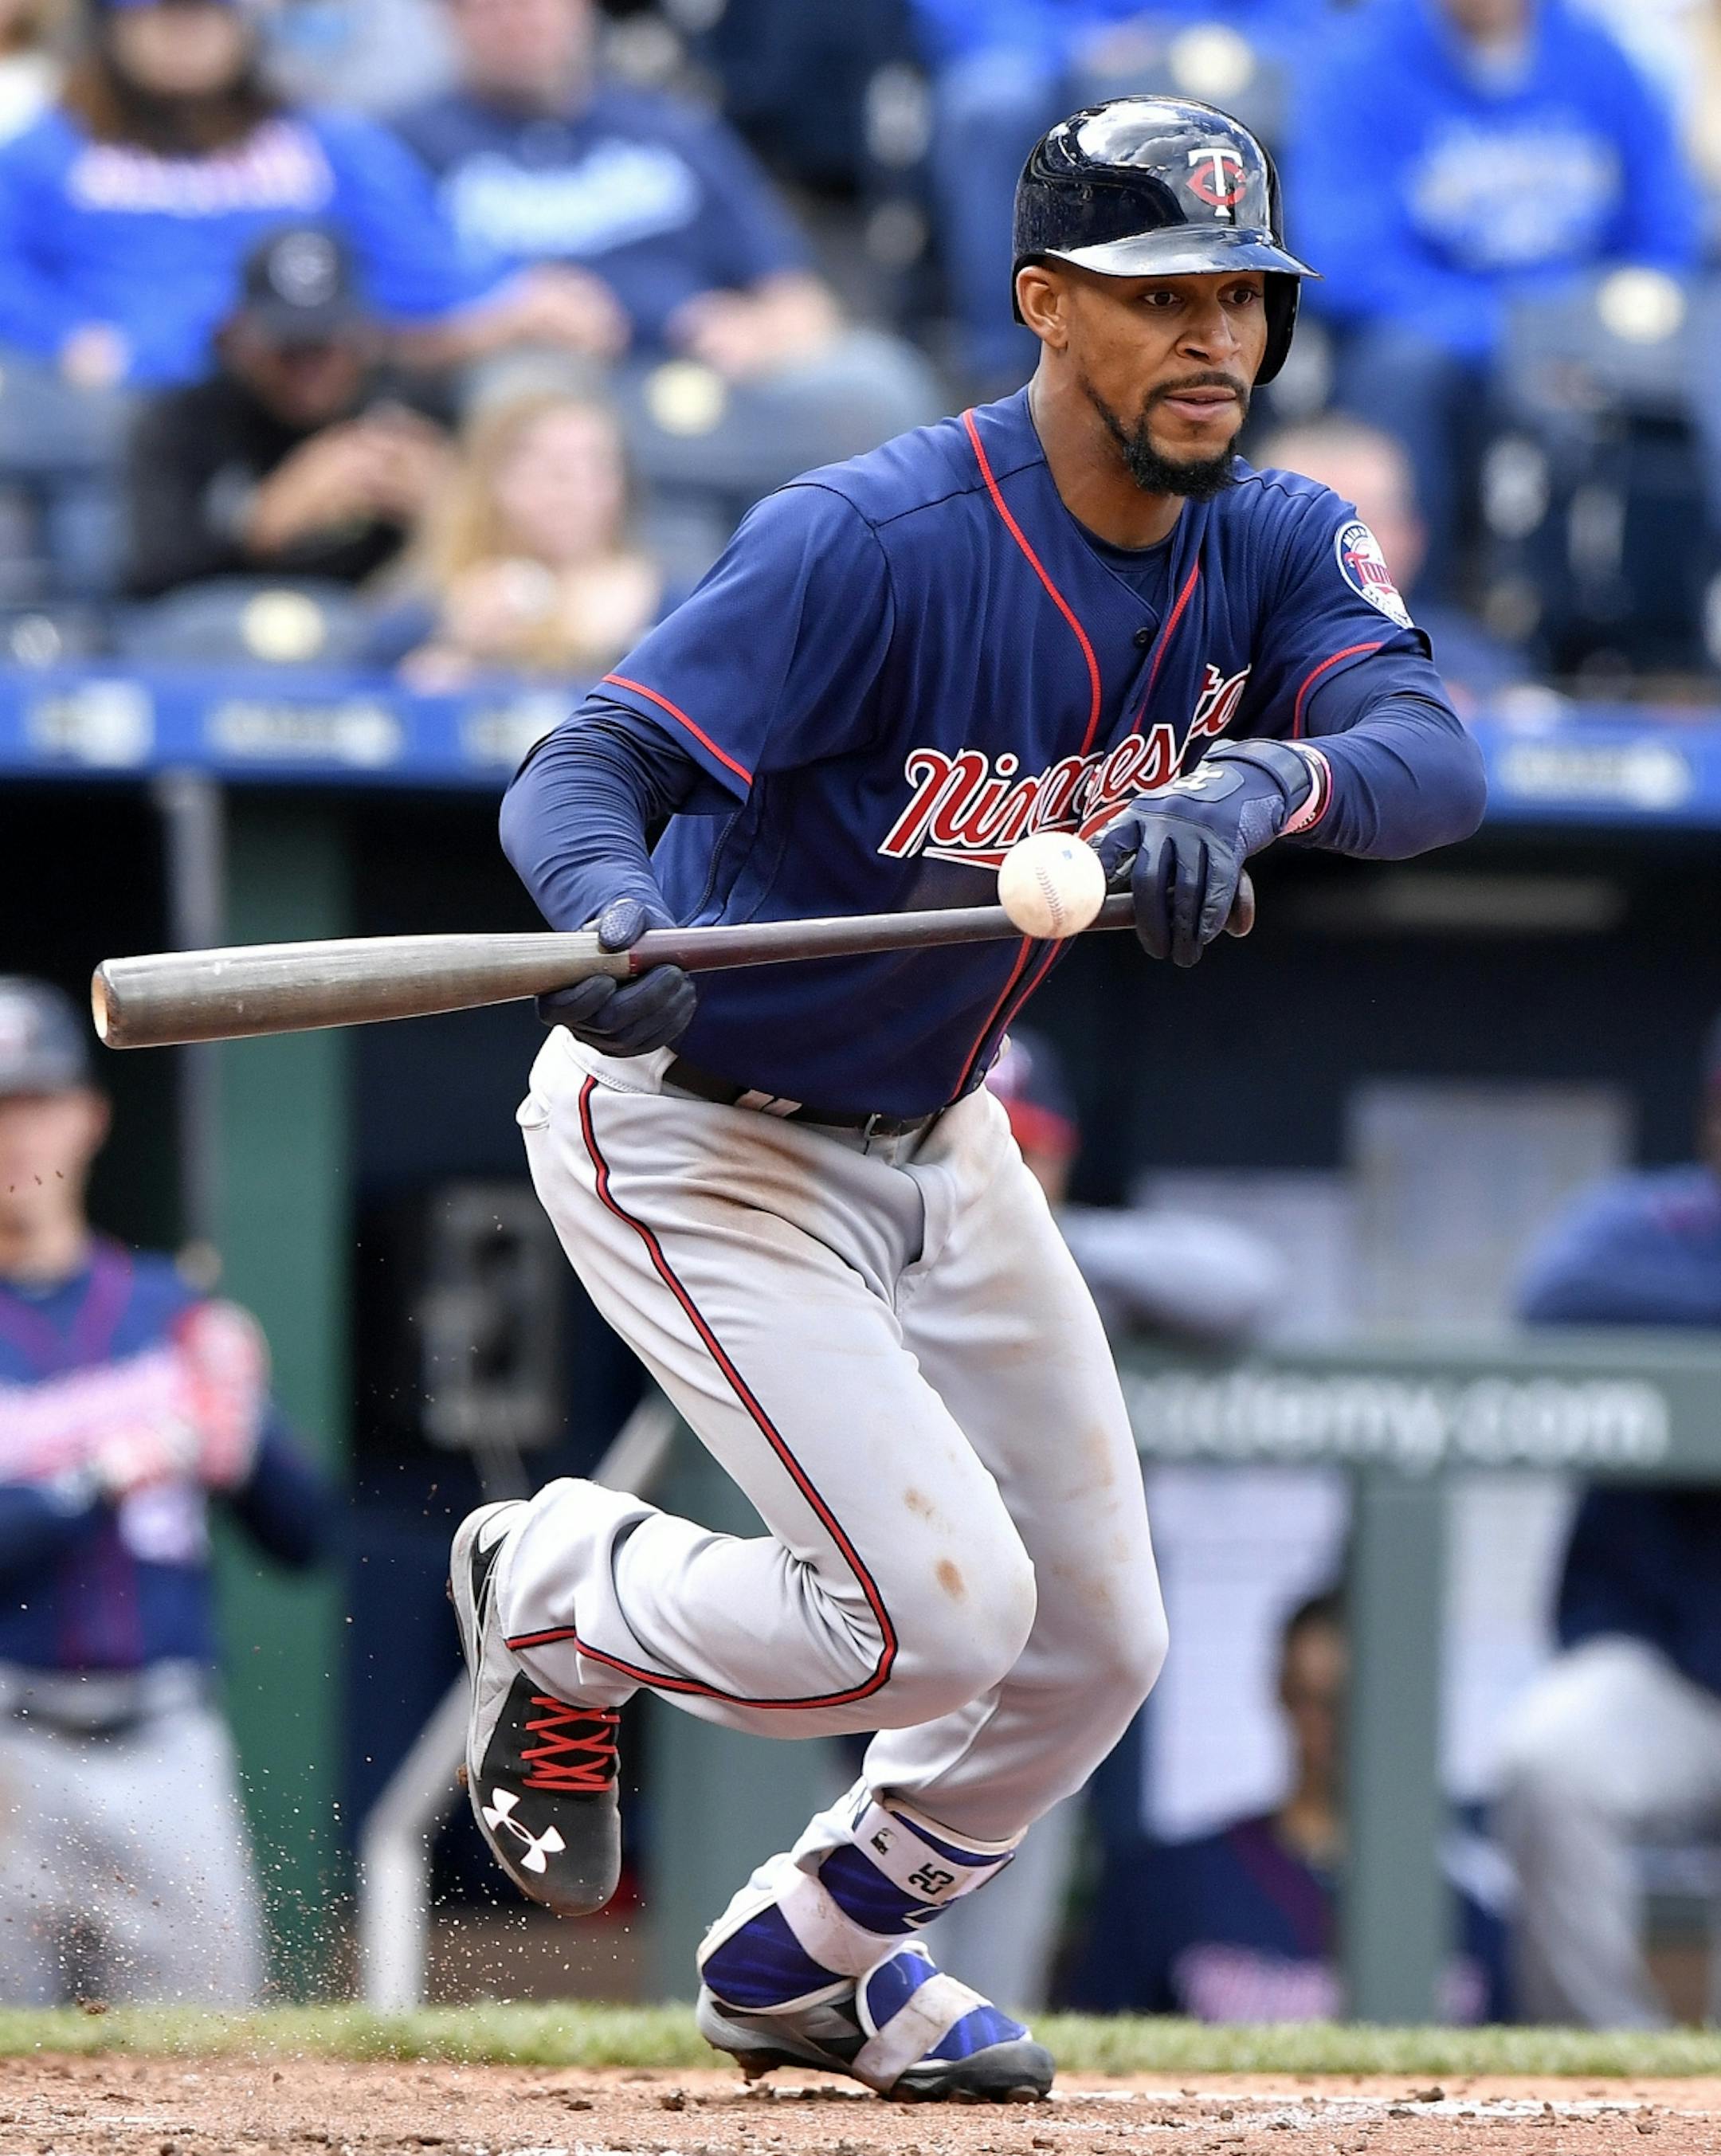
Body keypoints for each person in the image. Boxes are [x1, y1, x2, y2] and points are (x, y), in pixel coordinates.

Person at [462, 96, 1485, 2101]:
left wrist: (1263, 781)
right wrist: (611, 908)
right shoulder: (876, 536)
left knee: (1098, 1641)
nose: (1212, 339)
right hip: (700, 1124)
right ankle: (554, 1587)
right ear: (1040, 305)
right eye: (1154, 297)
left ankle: (806, 1953)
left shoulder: (1266, 543)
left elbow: (1429, 755)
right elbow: (578, 767)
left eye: (1238, 298)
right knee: (933, 1621)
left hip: (939, 1134)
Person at [0, 977, 332, 2005]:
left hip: (168, 1734)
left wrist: (246, 1431)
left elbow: (303, 1533)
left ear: (88, 1116)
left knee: (208, 2066)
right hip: (9, 1743)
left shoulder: (169, 1311)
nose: (16, 1135)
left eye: (34, 1101)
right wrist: (104, 1468)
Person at [390, 0, 941, 493]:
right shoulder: (407, 145)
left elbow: (801, 298)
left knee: (878, 381)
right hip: (567, 395)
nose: (518, 18)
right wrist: (505, 319)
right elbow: (379, 338)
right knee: (525, 406)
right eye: (489, 6)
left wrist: (759, 331)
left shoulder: (668, 124)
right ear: (449, 18)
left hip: (718, 380)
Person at [0, 0, 621, 394]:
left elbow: (423, 264)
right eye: (165, 13)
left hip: (312, 395)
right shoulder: (46, 150)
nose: (187, 31)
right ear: (112, 26)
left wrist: (514, 299)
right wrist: (62, 337)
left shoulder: (327, 140)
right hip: (129, 404)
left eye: (206, 12)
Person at [1290, 0, 1700, 594]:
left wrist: (1589, 326)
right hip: (1440, 330)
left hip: (1580, 327)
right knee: (1400, 370)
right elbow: (1344, 257)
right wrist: (1509, 332)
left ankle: (1656, 626)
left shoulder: (1600, 53)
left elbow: (1665, 229)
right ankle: (1407, 614)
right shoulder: (1360, 61)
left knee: (1673, 357)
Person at [1497, 1019, 1721, 2027]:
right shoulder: (1660, 1223)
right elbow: (1557, 1294)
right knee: (1553, 1760)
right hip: (1664, 1669)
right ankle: (1610, 2072)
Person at [1068, 1590, 1511, 2021]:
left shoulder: (1465, 1907)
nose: (1334, 1729)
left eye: (1350, 1705)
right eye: (1313, 1701)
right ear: (1282, 1693)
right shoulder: (1170, 1887)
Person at [908, 0, 1323, 394]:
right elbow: (971, 19)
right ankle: (1009, 367)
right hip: (1056, 56)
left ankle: (1272, 363)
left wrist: (1187, 45)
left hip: (1212, 50)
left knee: (1300, 102)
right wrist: (1082, 48)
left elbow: (1308, 27)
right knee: (992, 104)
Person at [123, 223, 453, 600]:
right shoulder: (184, 425)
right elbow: (148, 589)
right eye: (288, 347)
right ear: (240, 338)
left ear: (365, 336)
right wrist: (258, 526)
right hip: (232, 642)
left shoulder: (421, 410)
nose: (308, 370)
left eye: (325, 345)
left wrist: (451, 508)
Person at [386, 385, 660, 688]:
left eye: (597, 465)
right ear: (491, 482)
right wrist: (455, 648)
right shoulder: (432, 603)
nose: (575, 490)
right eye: (551, 469)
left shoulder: (676, 611)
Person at [1252, 414, 1531, 708]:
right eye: (1307, 526)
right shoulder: (1212, 663)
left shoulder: (1483, 674)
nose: (1337, 550)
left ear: (1412, 536)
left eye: (1364, 524)